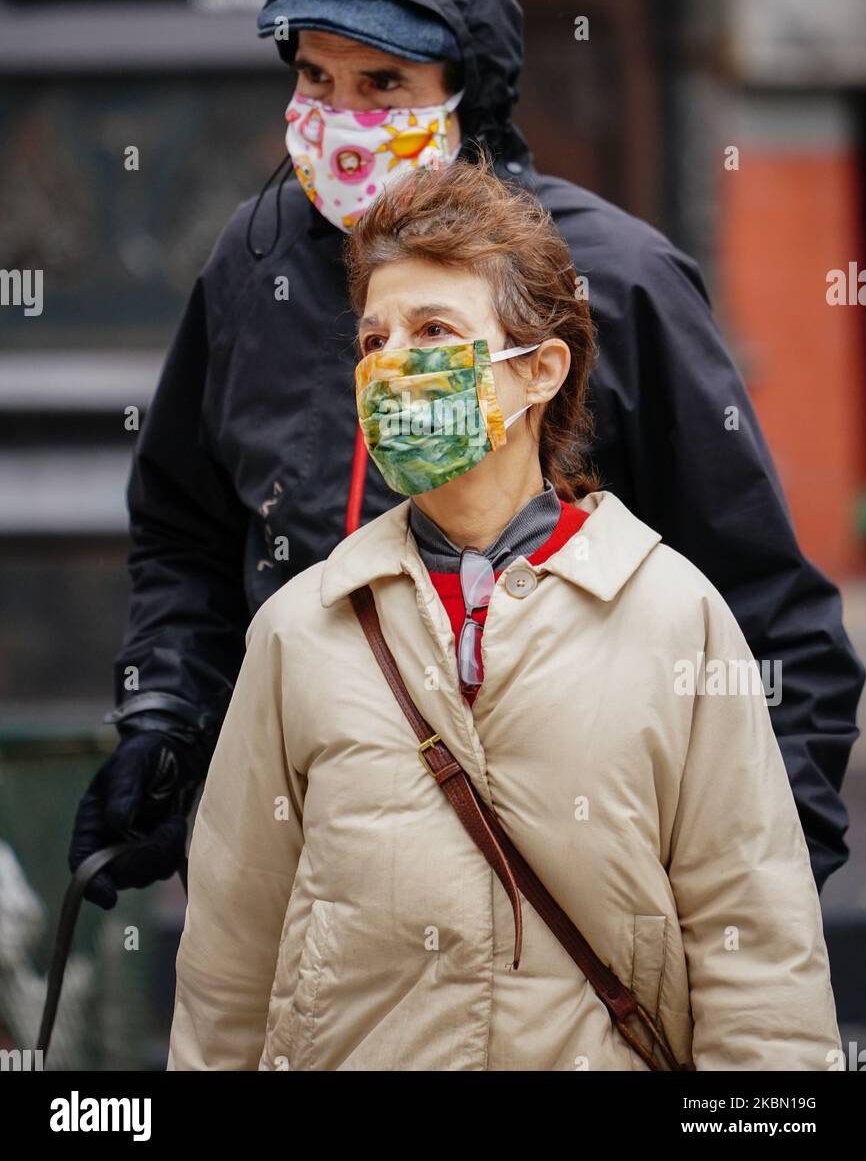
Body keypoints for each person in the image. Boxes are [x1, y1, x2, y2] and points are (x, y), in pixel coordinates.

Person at [69, 0, 862, 909]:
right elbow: (185, 531)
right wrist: (166, 726)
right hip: (313, 876)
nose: (337, 114)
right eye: (315, 77)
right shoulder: (251, 262)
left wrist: (756, 891)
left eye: (381, 84)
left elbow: (770, 615)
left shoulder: (613, 281)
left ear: (466, 95)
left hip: (561, 893)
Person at [167, 157, 841, 1072]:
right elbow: (228, 975)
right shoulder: (300, 631)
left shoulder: (675, 616)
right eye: (374, 341)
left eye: (434, 329)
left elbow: (758, 960)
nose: (393, 367)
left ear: (540, 372)